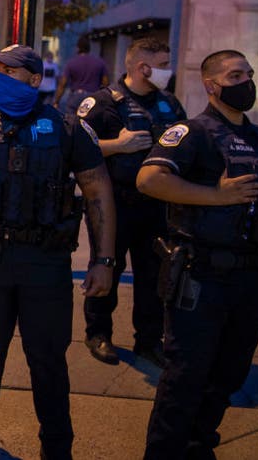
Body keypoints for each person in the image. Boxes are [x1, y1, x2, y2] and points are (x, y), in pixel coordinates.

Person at [0, 44, 116, 460]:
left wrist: (104, 262)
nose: (2, 78)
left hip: (46, 264)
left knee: (48, 359)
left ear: (35, 79)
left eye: (12, 72)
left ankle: (56, 445)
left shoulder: (68, 129)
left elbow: (99, 194)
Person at [136, 50, 258, 459]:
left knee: (230, 371)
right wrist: (217, 195)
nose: (246, 80)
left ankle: (198, 445)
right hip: (201, 276)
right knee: (185, 376)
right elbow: (148, 179)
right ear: (212, 85)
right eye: (234, 74)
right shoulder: (192, 132)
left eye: (248, 72)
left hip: (252, 277)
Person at [79, 38, 186, 368]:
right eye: (164, 64)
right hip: (112, 205)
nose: (169, 71)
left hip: (156, 207)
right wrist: (118, 146)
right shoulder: (102, 104)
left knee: (155, 275)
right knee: (106, 267)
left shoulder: (169, 105)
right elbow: (76, 151)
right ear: (144, 68)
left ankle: (148, 342)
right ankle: (98, 334)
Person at [53, 36, 109, 115]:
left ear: (77, 48)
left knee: (71, 122)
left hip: (76, 96)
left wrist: (56, 101)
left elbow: (63, 84)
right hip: (93, 97)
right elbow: (106, 83)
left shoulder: (71, 63)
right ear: (89, 48)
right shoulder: (99, 62)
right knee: (91, 122)